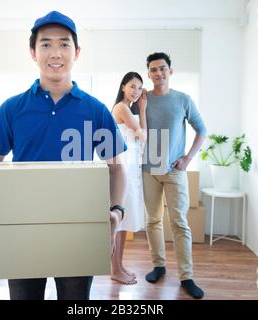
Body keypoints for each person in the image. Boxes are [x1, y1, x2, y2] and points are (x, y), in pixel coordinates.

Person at [0, 11, 127, 300]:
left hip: (78, 230)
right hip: (22, 232)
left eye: (64, 44)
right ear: (33, 52)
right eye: (46, 44)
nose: (55, 53)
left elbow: (117, 169)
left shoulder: (95, 110)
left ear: (77, 52)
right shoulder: (12, 108)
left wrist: (116, 212)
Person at [142, 52, 207, 299]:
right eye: (153, 69)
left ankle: (186, 276)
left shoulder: (183, 100)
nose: (158, 73)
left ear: (171, 71)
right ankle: (158, 265)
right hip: (148, 170)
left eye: (162, 68)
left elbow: (202, 130)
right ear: (148, 73)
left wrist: (188, 159)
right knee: (153, 220)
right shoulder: (143, 99)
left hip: (173, 171)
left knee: (179, 223)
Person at [110, 72, 147, 285]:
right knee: (118, 220)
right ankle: (115, 269)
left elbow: (143, 137)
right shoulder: (122, 108)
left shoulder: (128, 109)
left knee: (124, 220)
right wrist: (143, 109)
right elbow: (143, 135)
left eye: (140, 88)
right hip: (122, 168)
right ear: (123, 86)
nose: (136, 91)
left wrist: (141, 110)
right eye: (133, 86)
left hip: (130, 167)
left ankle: (119, 265)